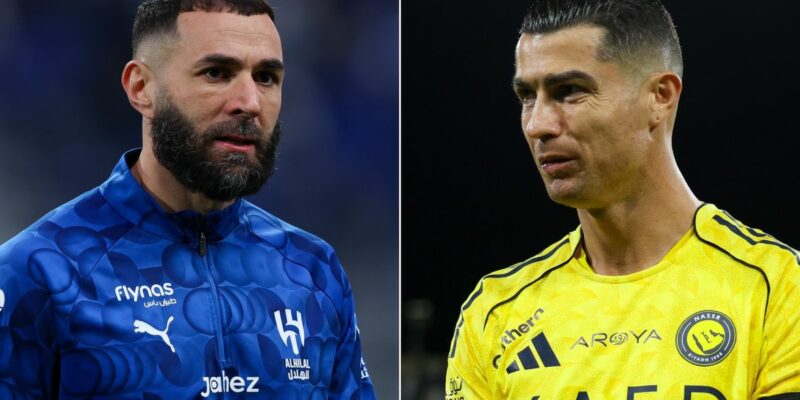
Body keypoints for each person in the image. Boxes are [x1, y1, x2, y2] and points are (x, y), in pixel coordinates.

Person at [0, 0, 375, 398]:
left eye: (266, 77)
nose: (249, 103)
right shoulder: (40, 270)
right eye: (216, 73)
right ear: (141, 88)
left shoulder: (313, 271)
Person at [445, 0, 800, 398]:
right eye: (527, 96)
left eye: (569, 92)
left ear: (660, 97)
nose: (537, 125)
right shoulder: (493, 313)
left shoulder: (778, 288)